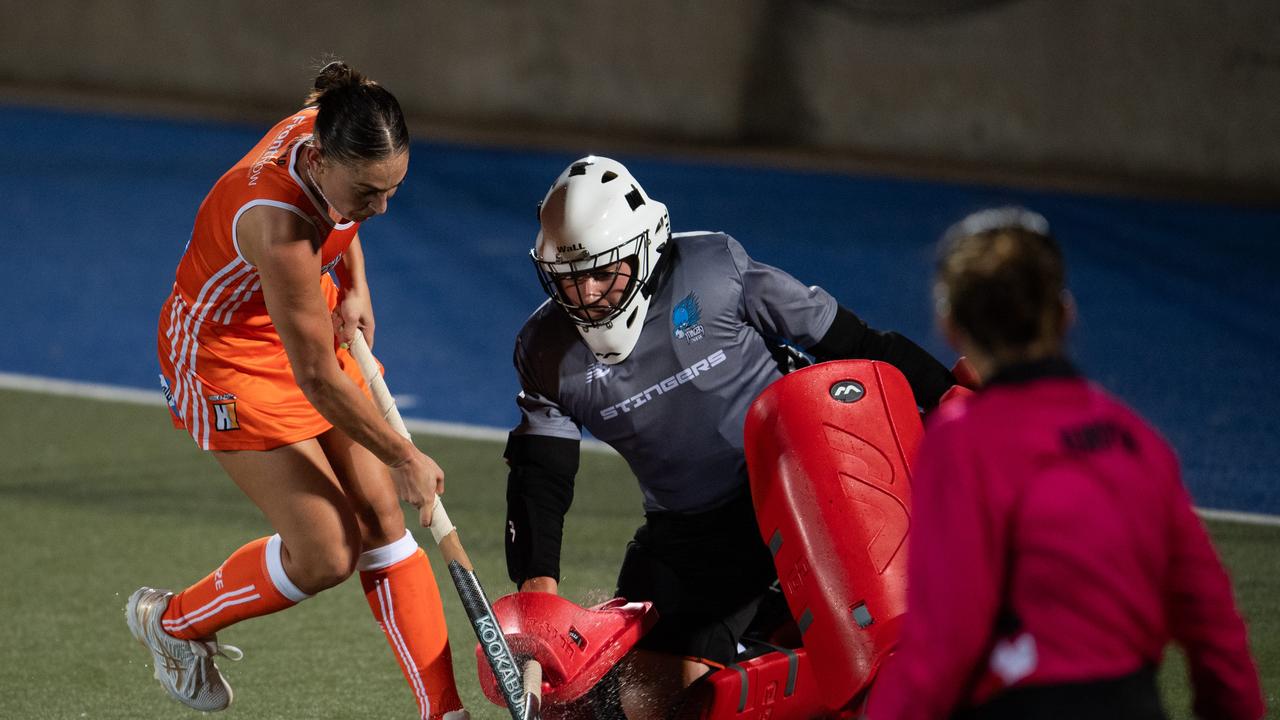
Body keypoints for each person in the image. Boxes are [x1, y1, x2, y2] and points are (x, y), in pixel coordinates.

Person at [503, 156, 962, 718]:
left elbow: (850, 340)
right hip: (693, 529)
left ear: (645, 250)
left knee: (882, 649)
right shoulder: (545, 351)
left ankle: (821, 648)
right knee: (641, 702)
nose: (590, 294)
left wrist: (947, 396)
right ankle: (788, 637)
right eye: (570, 279)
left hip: (806, 488)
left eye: (604, 272)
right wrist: (538, 590)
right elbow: (540, 476)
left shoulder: (714, 268)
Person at [126, 61, 467, 719]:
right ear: (315, 162)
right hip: (224, 362)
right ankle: (173, 623)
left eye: (394, 189)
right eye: (370, 192)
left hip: (300, 314)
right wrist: (403, 454)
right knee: (326, 552)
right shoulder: (277, 228)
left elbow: (344, 221)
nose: (382, 206)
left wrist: (355, 284)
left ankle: (443, 712)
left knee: (383, 519)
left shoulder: (338, 127)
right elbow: (315, 375)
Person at [865, 207, 1265, 719]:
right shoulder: (1135, 438)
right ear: (1065, 314)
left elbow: (942, 647)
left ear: (951, 328)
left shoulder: (962, 445)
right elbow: (1213, 626)